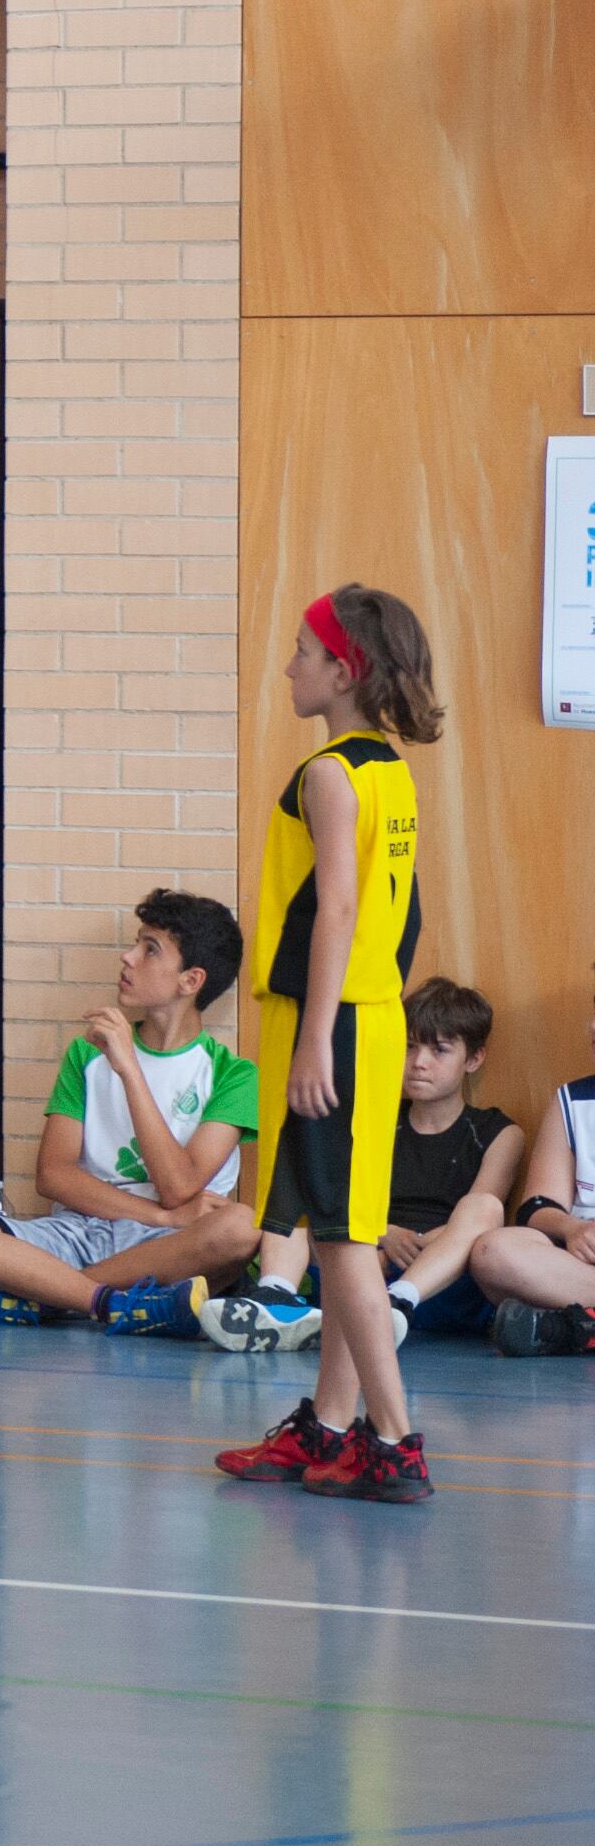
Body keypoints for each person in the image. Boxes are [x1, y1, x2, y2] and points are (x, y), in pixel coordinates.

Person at [217, 584, 446, 1499]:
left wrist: (319, 1037)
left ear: (342, 670)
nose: (289, 668)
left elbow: (340, 911)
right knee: (331, 1224)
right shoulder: (385, 770)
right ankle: (330, 1427)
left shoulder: (327, 775)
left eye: (303, 654)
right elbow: (403, 914)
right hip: (367, 1017)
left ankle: (394, 1442)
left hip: (336, 1022)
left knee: (345, 1241)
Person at [0, 891, 259, 1328]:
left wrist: (131, 1071)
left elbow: (178, 1186)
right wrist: (160, 1213)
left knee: (241, 1227)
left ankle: (41, 1295)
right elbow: (54, 1177)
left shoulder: (234, 1075)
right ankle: (109, 1303)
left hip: (169, 1246)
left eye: (150, 949)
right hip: (78, 1231)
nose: (128, 957)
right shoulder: (87, 1054)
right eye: (136, 943)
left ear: (190, 981)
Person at [204, 977, 519, 1353]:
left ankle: (398, 1303)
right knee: (302, 1185)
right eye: (409, 1047)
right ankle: (274, 1298)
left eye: (439, 1051)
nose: (418, 1063)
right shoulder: (372, 1117)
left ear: (473, 1058)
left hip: (440, 1279)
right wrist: (383, 1234)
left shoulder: (498, 1132)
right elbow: (336, 1195)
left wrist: (404, 1247)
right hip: (364, 1257)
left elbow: (480, 1223)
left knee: (483, 1206)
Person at [475, 1001, 595, 1358]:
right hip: (583, 1264)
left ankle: (574, 1330)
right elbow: (537, 1206)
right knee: (492, 1252)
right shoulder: (572, 1100)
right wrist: (572, 1229)